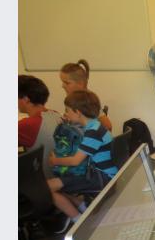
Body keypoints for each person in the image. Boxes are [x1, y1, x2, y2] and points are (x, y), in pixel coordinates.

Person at [47, 90, 116, 221]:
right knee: (57, 183)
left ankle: (78, 220)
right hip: (101, 173)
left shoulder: (92, 132)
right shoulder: (96, 126)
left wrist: (55, 160)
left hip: (101, 177)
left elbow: (75, 161)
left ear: (78, 112)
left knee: (47, 188)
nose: (65, 114)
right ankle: (83, 206)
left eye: (67, 110)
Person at [18, 75, 62, 178]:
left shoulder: (28, 125)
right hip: (61, 177)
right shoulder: (56, 114)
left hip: (43, 181)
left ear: (26, 99)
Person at [59, 59, 112, 131]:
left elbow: (108, 126)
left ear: (81, 83)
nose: (63, 86)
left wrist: (89, 139)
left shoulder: (87, 101)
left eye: (67, 83)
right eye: (62, 82)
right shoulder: (74, 99)